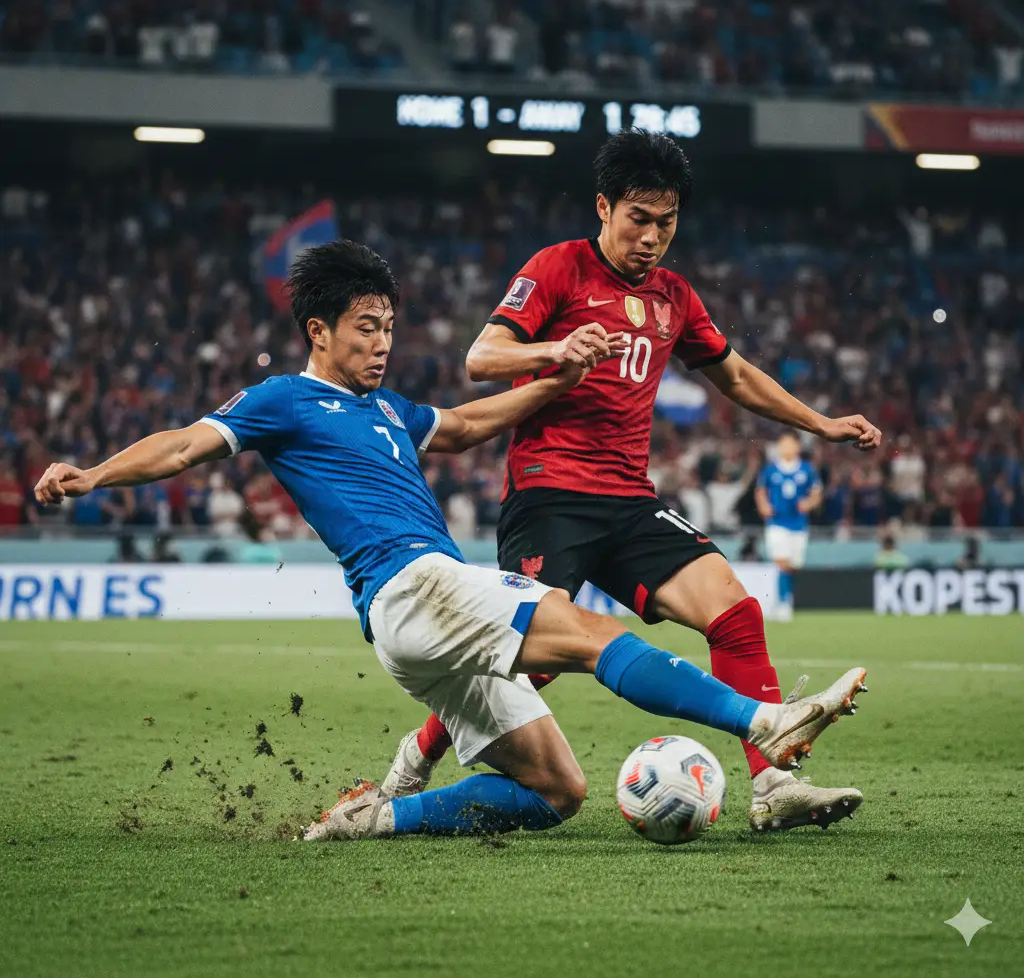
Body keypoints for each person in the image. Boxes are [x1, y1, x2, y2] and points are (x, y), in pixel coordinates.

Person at [34, 239, 868, 842]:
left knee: (557, 791)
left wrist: (556, 378)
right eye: (365, 326)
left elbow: (467, 423)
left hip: (413, 627)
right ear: (318, 331)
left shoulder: (390, 410)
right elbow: (183, 444)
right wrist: (92, 476)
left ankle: (376, 816)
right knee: (590, 632)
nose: (382, 341)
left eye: (389, 324)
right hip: (413, 583)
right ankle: (762, 722)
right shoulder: (284, 399)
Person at [385, 130, 880, 834]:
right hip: (548, 497)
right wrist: (557, 347)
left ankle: (771, 783)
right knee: (536, 660)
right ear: (604, 208)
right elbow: (482, 357)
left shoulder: (675, 296)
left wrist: (820, 424)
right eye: (638, 219)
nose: (651, 237)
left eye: (666, 223)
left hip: (628, 503)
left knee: (735, 611)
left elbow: (734, 375)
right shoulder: (558, 269)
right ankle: (420, 749)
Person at [755, 431, 822, 622]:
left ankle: (786, 597)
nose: (786, 448)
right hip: (777, 522)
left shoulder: (807, 470)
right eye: (783, 444)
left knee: (793, 565)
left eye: (789, 444)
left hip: (799, 524)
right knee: (781, 561)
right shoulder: (770, 470)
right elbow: (760, 491)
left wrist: (809, 503)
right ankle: (784, 602)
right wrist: (764, 506)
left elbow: (817, 493)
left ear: (797, 447)